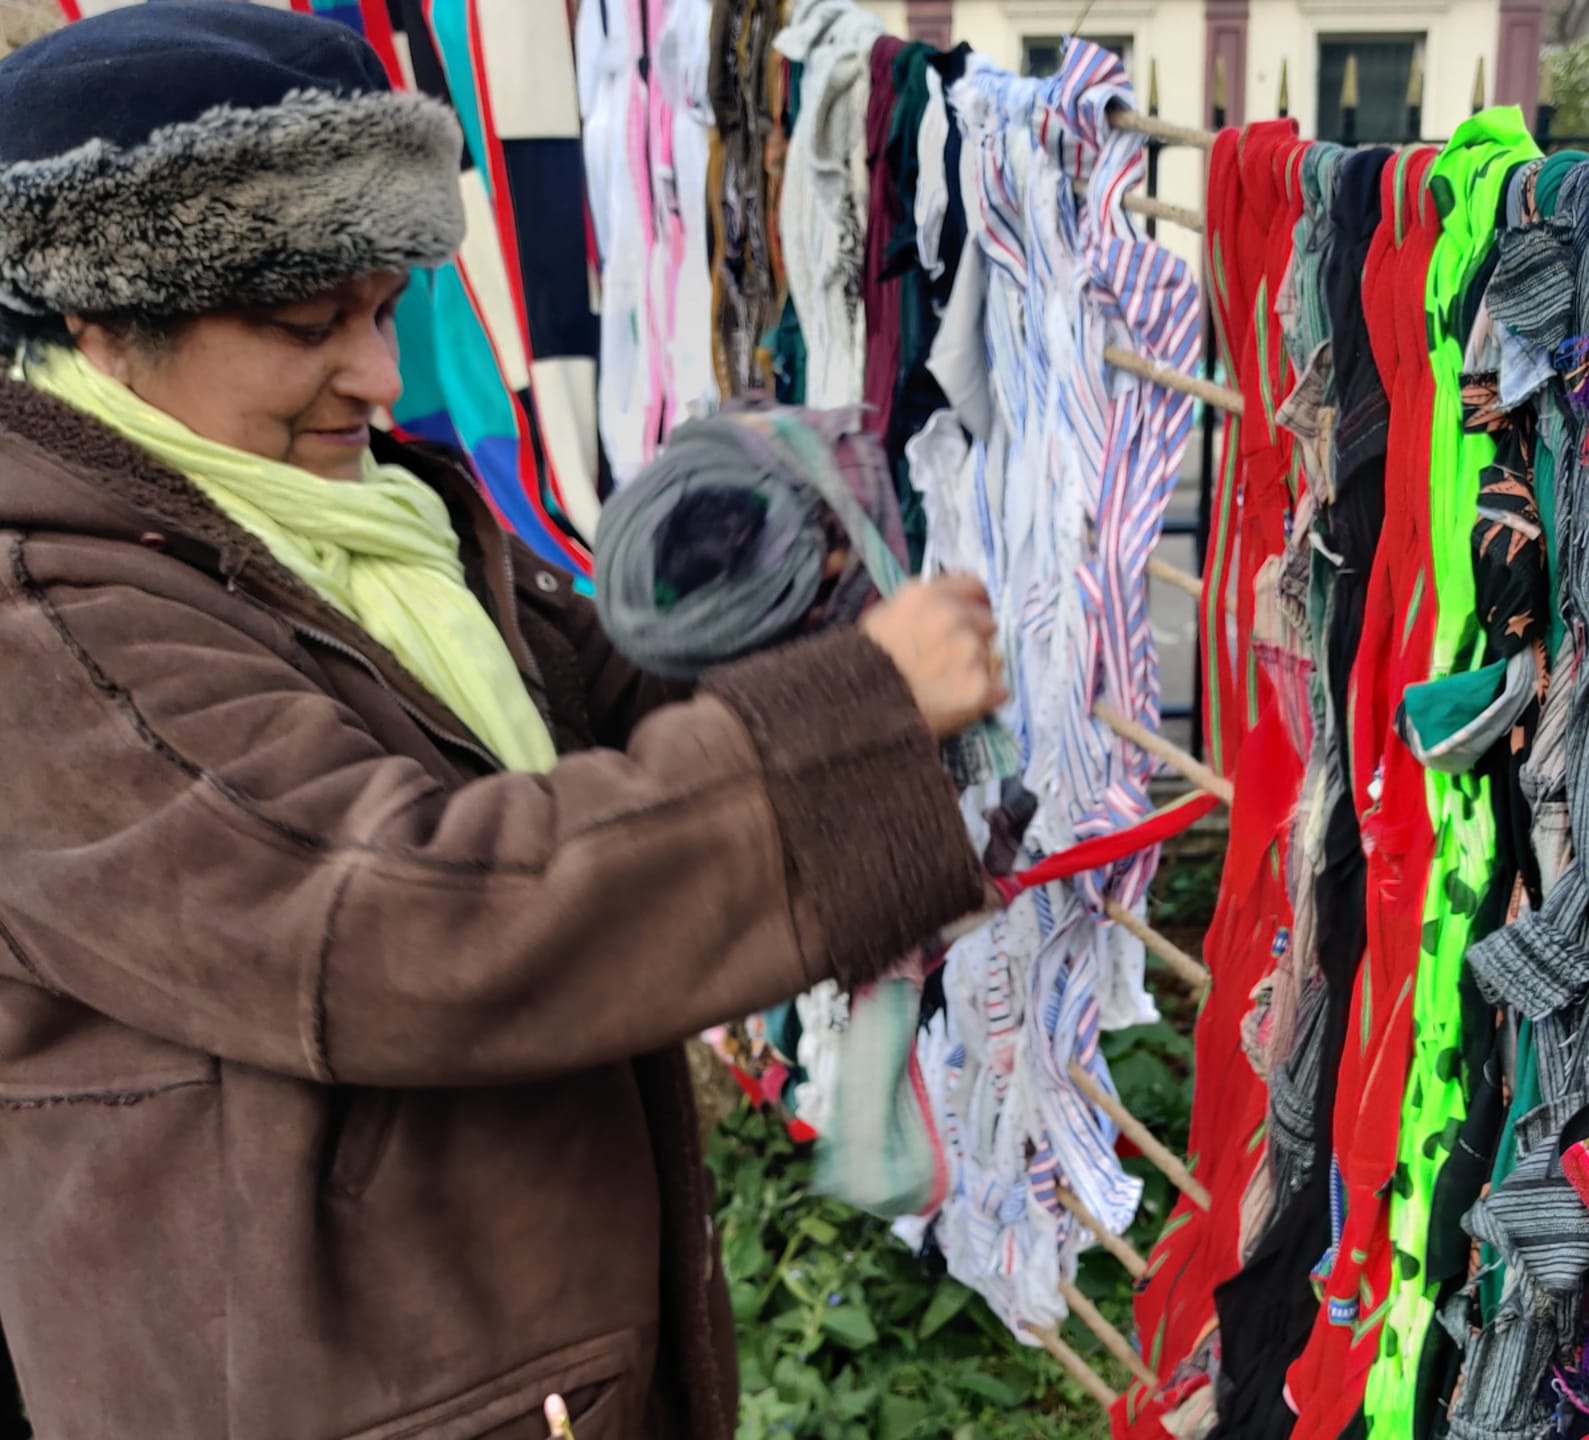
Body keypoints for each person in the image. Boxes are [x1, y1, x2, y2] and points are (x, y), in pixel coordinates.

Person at [0, 5, 1004, 1437]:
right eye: (307, 328)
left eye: (387, 308)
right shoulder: (39, 628)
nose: (383, 378)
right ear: (102, 321)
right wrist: (848, 724)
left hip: (506, 1362)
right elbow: (400, 915)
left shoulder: (372, 524)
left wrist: (781, 619)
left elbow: (580, 731)